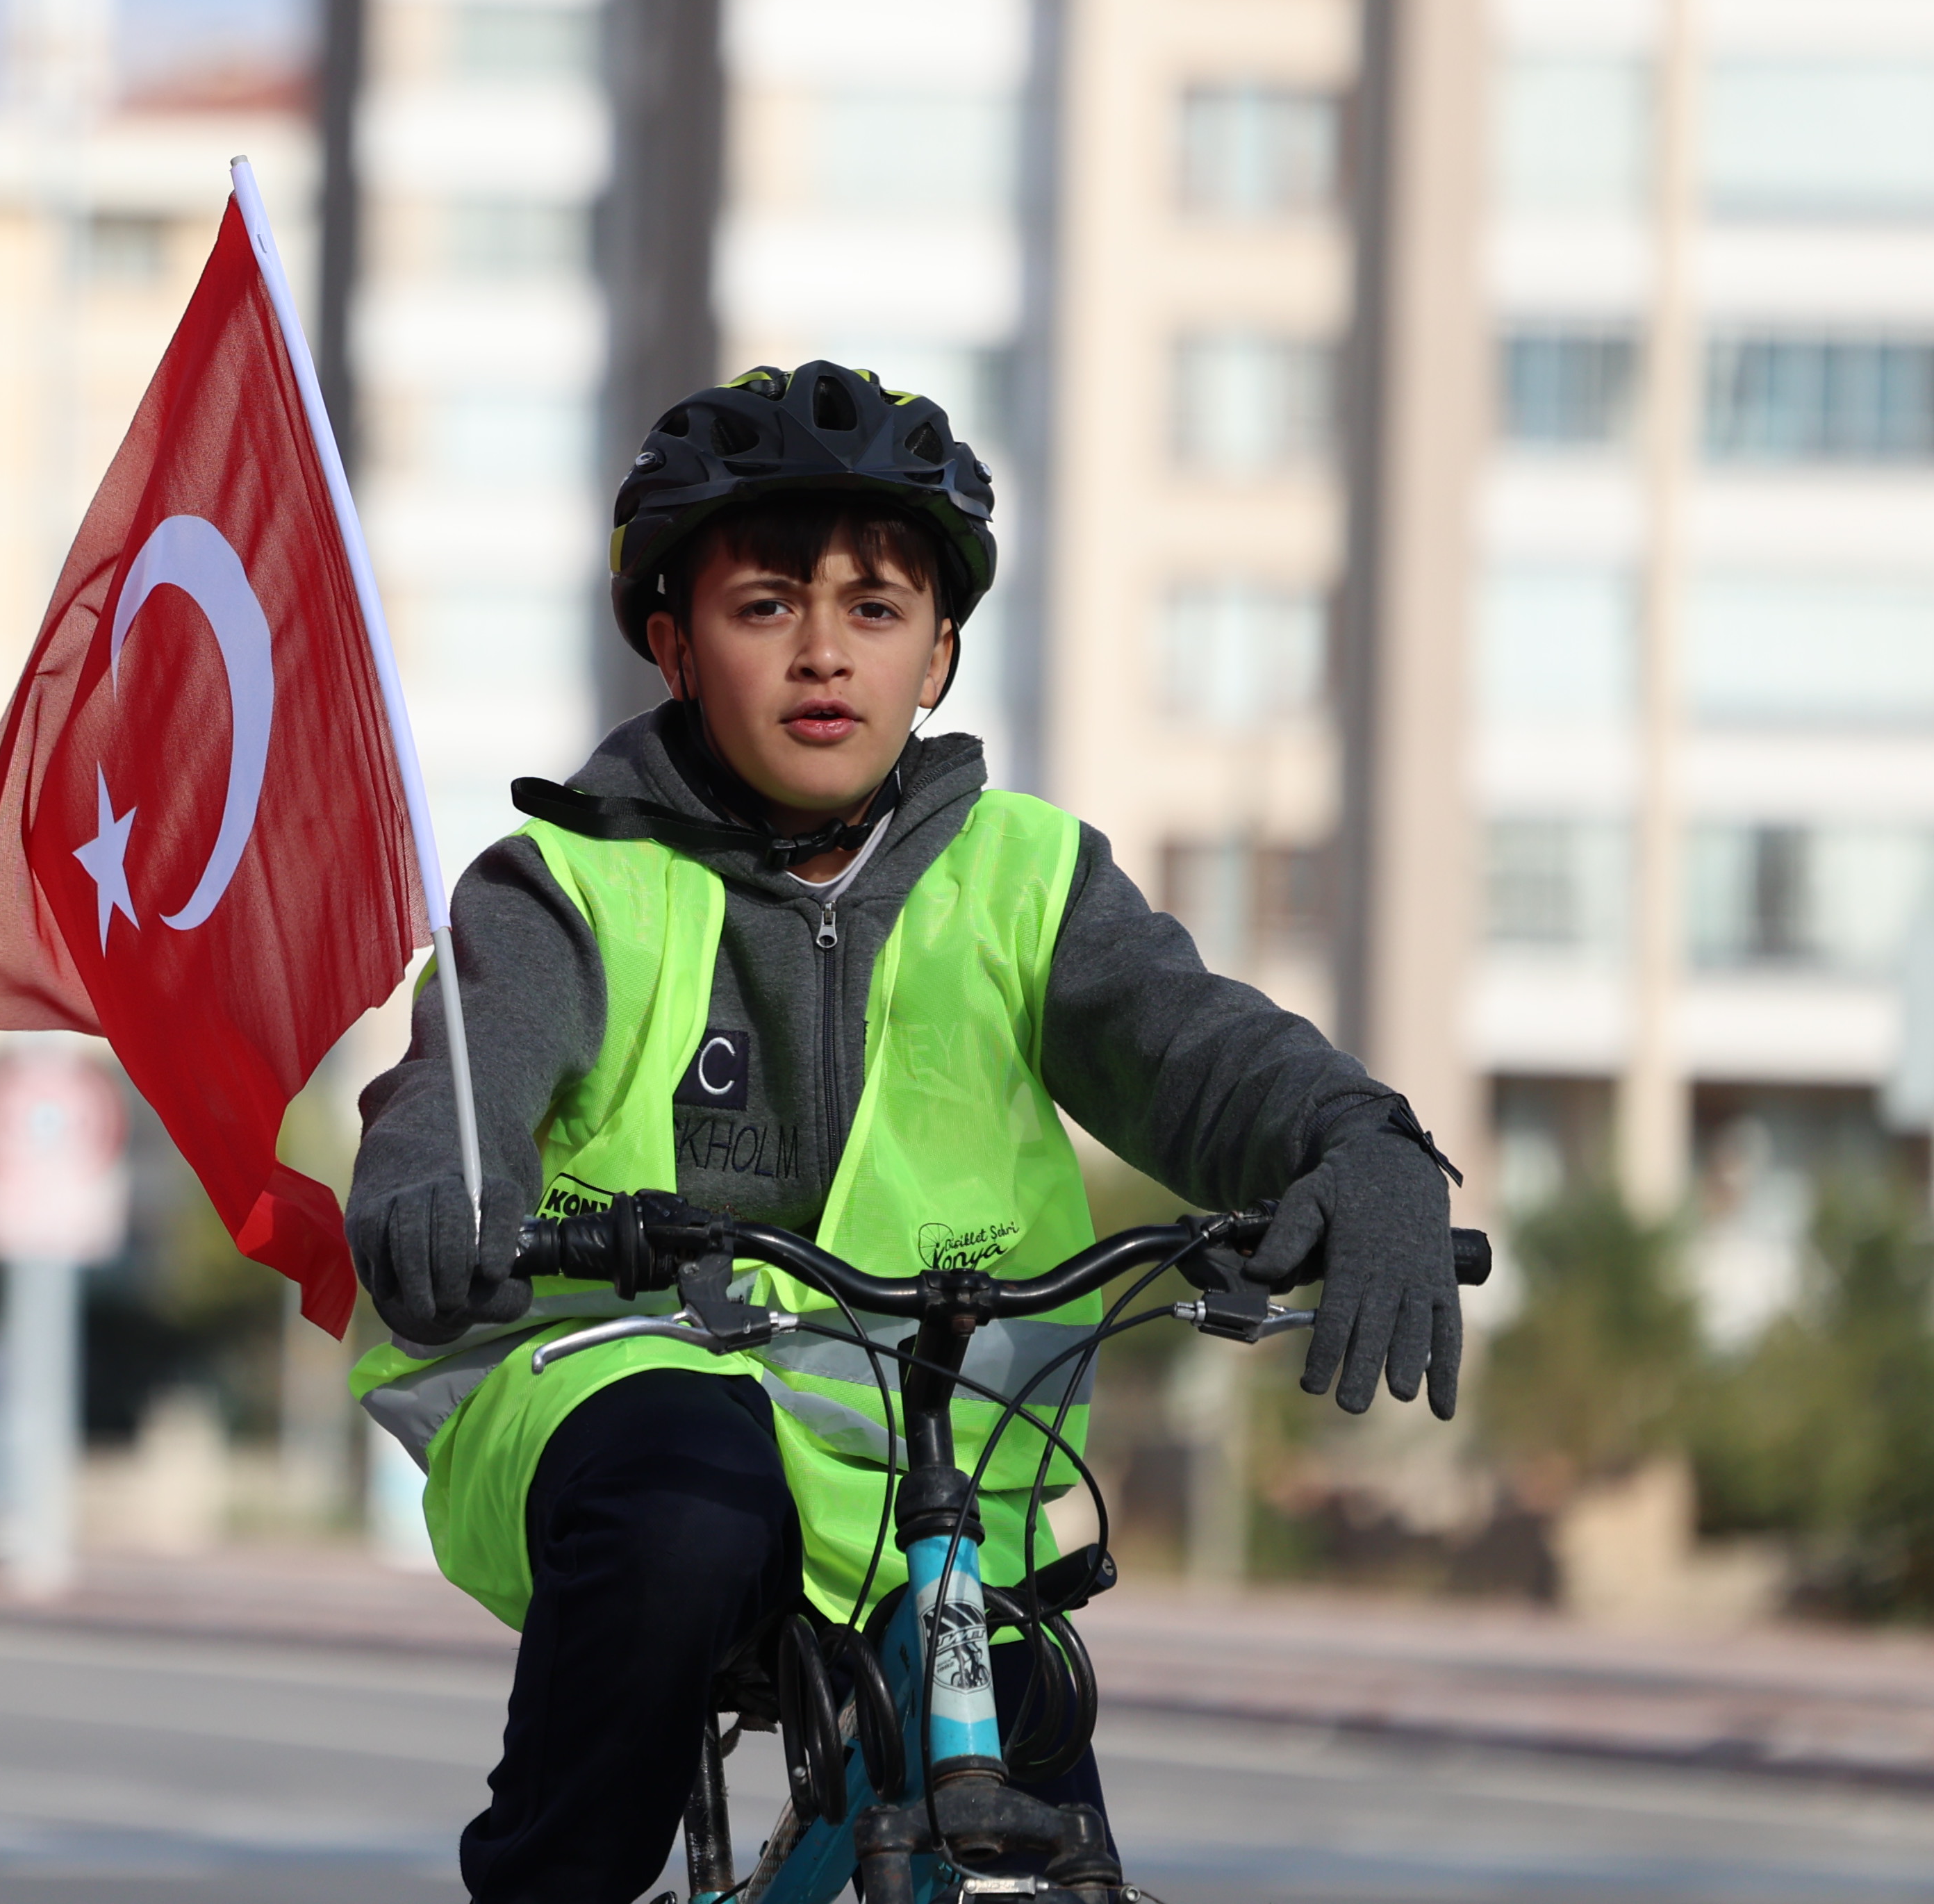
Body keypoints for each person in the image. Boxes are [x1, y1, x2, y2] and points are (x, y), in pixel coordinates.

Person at [343, 361, 1465, 1903]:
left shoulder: (1025, 878)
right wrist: (442, 1180)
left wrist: (1361, 1142)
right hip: (610, 1387)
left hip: (925, 1454)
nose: (824, 653)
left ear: (939, 653)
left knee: (1034, 1802)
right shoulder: (564, 883)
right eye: (764, 608)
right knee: (688, 1496)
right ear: (672, 643)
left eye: (876, 610)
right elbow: (470, 1079)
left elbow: (1191, 1048)